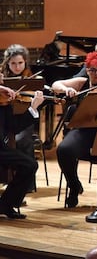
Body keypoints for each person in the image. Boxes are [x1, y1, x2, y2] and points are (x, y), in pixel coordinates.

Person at [52, 52, 97, 212]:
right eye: (92, 70)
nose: (96, 73)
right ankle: (74, 186)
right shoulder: (82, 83)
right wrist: (66, 89)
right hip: (83, 131)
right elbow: (56, 84)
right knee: (63, 150)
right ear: (87, 70)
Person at [0, 85, 44, 219]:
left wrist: (33, 108)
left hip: (1, 149)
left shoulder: (3, 103)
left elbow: (14, 127)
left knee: (29, 165)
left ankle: (6, 204)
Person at [1, 44, 39, 192]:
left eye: (20, 63)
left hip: (20, 119)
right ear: (7, 63)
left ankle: (25, 184)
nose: (17, 67)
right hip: (5, 125)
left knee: (21, 140)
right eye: (13, 63)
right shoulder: (2, 80)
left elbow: (16, 125)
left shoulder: (31, 79)